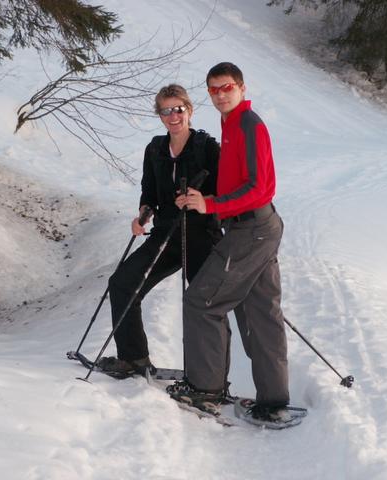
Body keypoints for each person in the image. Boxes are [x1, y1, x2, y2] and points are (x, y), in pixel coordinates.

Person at [169, 62, 291, 424]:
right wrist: (202, 198)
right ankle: (273, 400)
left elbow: (261, 189)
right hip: (255, 227)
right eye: (213, 89)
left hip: (252, 230)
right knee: (261, 313)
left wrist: (213, 205)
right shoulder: (230, 122)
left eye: (226, 87)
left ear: (241, 87)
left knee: (201, 301)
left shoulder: (249, 124)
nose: (220, 94)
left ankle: (205, 391)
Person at [98, 84, 222, 377]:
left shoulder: (207, 148)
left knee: (204, 306)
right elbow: (149, 192)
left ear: (189, 110)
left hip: (201, 235)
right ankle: (133, 359)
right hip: (167, 235)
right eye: (165, 111)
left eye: (178, 109)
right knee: (122, 284)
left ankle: (211, 378)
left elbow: (222, 192)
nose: (172, 116)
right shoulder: (155, 148)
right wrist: (143, 214)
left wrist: (200, 199)